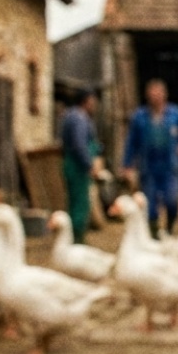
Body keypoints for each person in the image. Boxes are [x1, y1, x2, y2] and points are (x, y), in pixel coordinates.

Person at [121, 78, 178, 236]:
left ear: (165, 95)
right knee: (149, 203)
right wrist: (127, 164)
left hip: (169, 165)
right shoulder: (140, 116)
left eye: (158, 94)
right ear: (147, 96)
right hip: (148, 165)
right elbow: (132, 142)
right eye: (152, 94)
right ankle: (154, 234)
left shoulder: (175, 114)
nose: (155, 97)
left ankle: (170, 228)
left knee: (172, 199)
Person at [58, 89, 102, 243]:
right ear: (86, 101)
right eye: (92, 101)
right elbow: (79, 144)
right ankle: (77, 238)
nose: (94, 105)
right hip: (78, 166)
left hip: (72, 164)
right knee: (80, 203)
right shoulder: (79, 118)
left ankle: (73, 237)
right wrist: (89, 164)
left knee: (74, 200)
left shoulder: (70, 115)